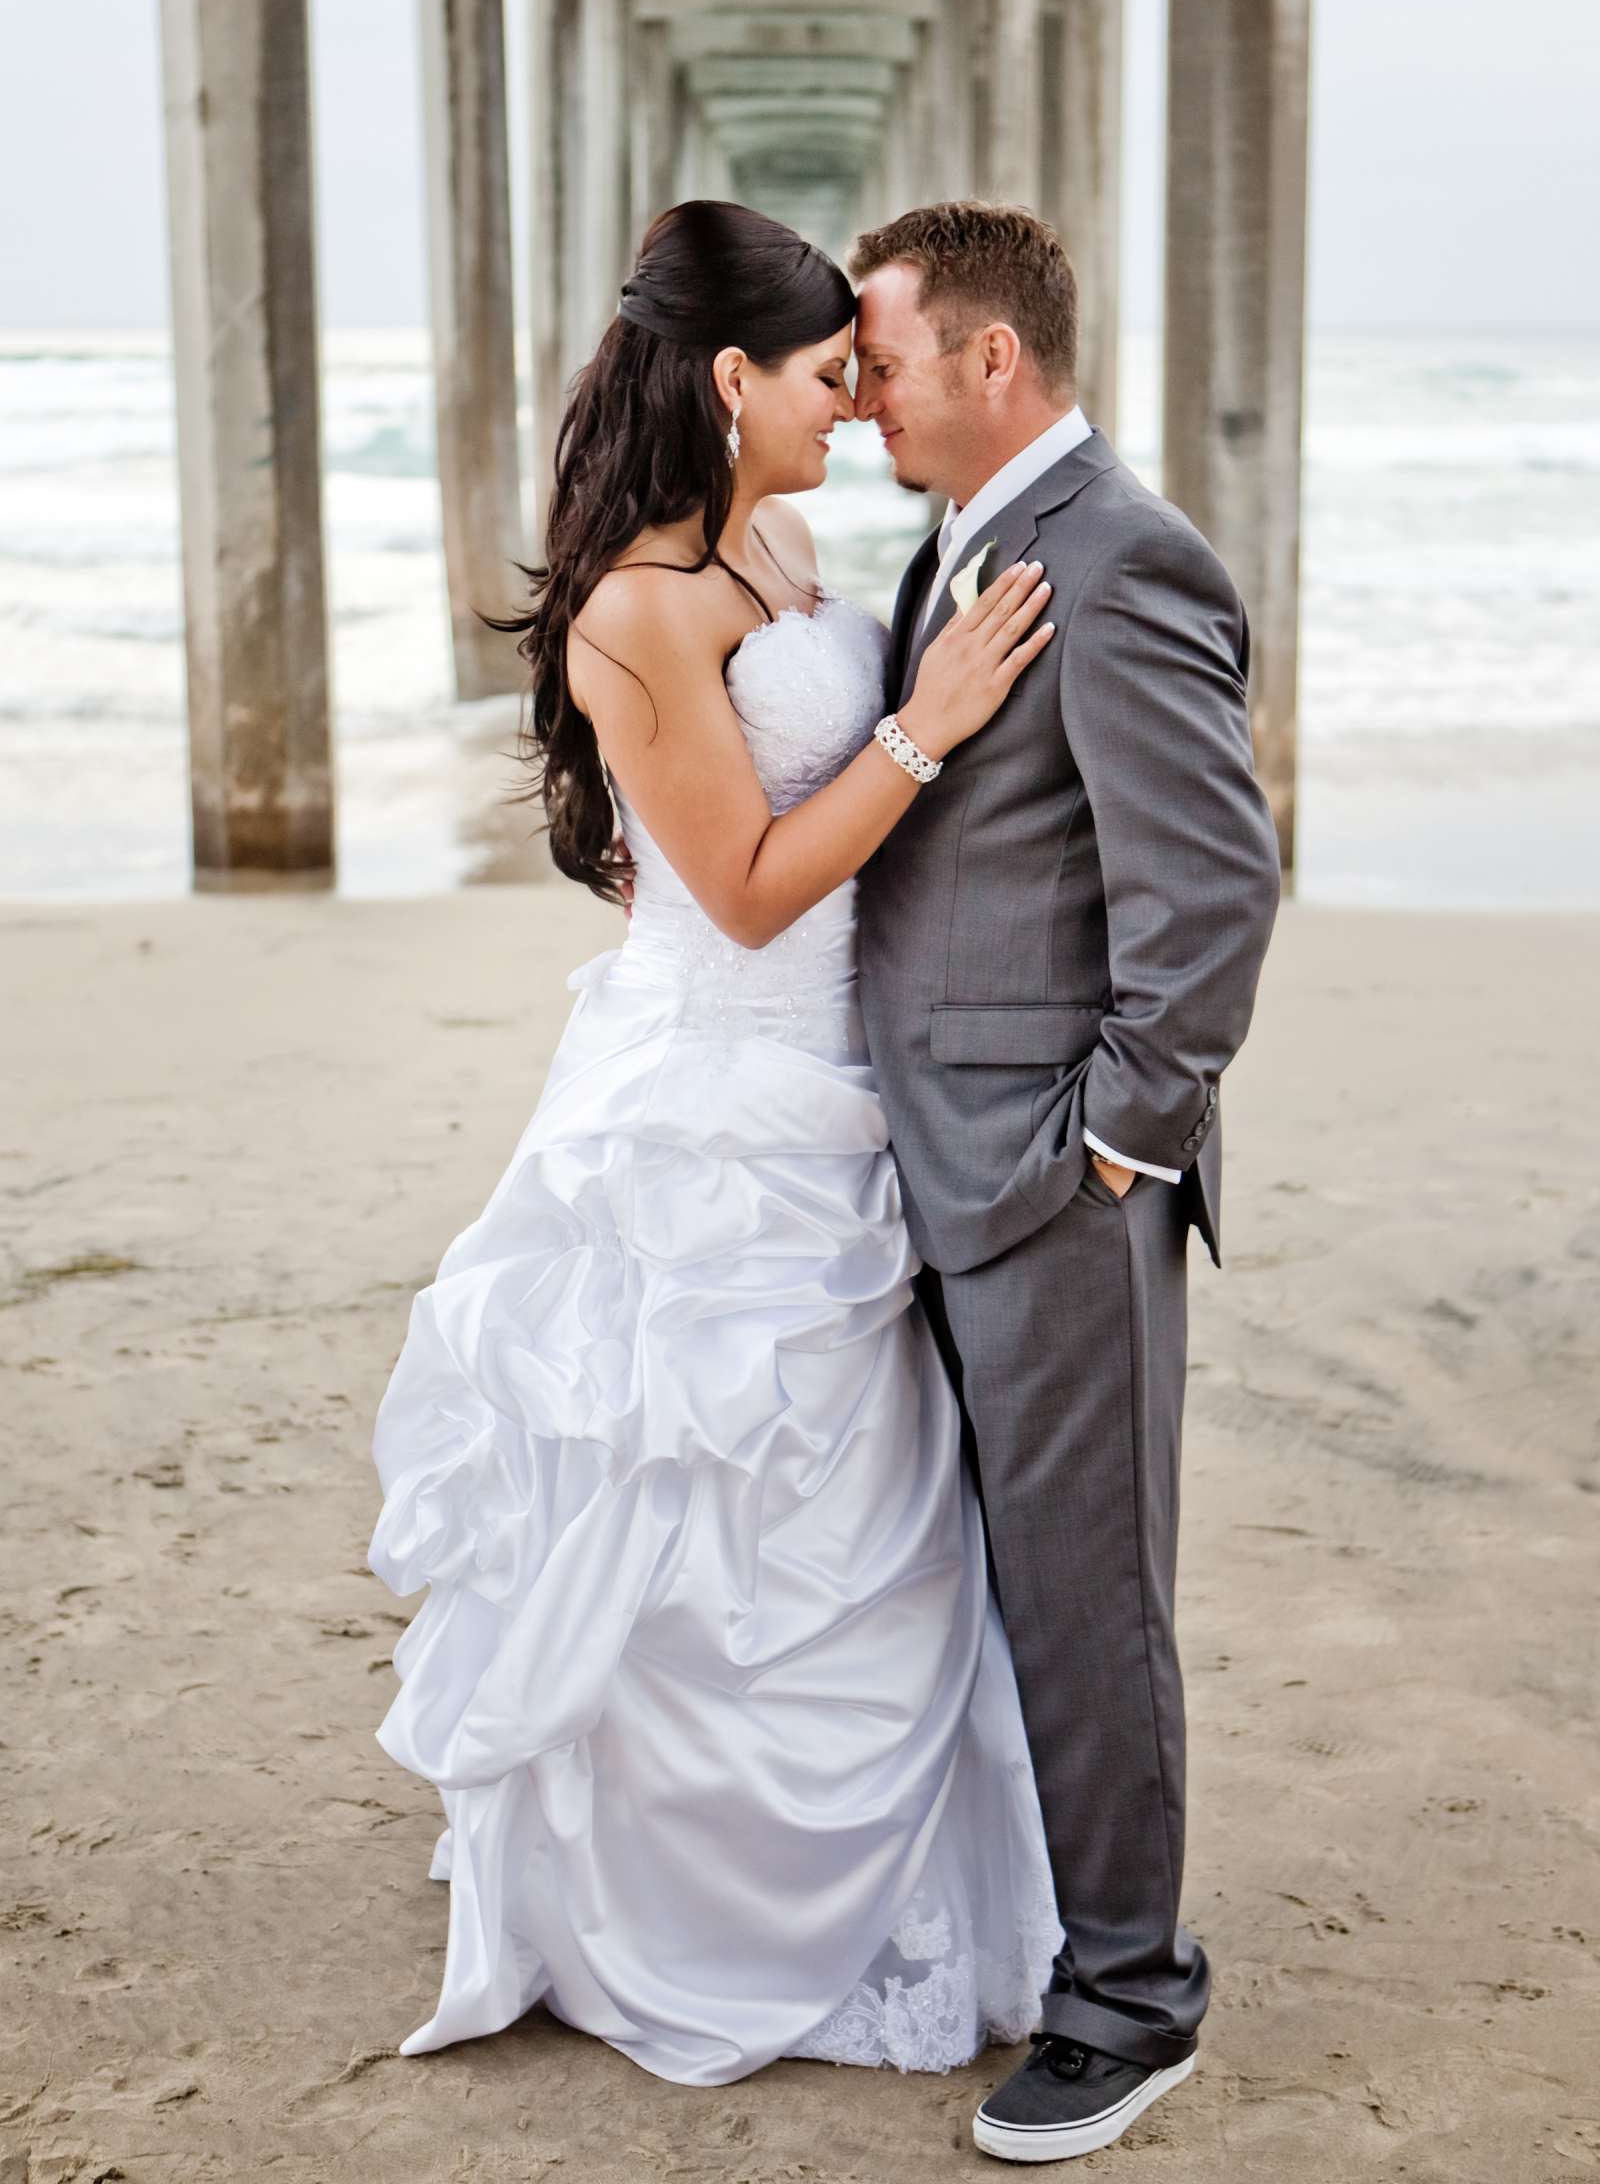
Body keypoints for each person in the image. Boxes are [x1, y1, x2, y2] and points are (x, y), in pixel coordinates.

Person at [365, 200, 1065, 2093]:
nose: (855, 407)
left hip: (842, 1090)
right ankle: (673, 1914)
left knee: (881, 1519)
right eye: (831, 376)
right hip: (714, 1107)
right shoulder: (636, 608)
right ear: (728, 375)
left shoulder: (784, 539)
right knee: (699, 1505)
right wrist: (921, 733)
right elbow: (747, 893)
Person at [849, 201, 1283, 2162]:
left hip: (1049, 1190)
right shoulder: (951, 546)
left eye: (880, 355)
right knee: (978, 1585)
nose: (857, 391)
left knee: (1085, 1594)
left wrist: (1109, 1144)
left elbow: (1212, 888)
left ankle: (1127, 2004)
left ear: (988, 362)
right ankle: (1027, 1933)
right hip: (925, 1165)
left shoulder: (1113, 558)